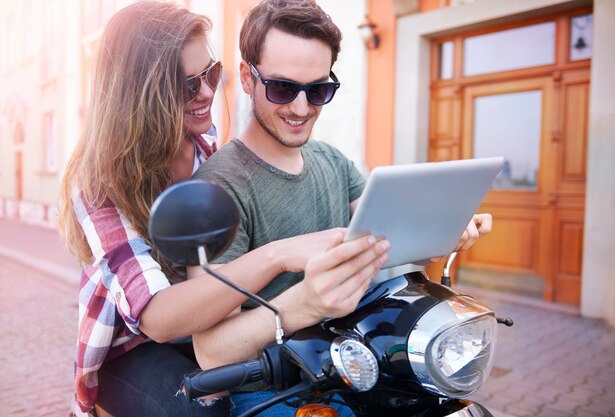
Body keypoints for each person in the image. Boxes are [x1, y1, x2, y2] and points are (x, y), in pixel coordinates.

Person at [59, 2, 389, 417]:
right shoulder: (100, 183)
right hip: (136, 344)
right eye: (186, 85)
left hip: (203, 322)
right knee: (201, 409)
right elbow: (157, 317)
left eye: (211, 74)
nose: (208, 94)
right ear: (138, 93)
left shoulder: (206, 150)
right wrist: (277, 255)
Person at [191, 0, 491, 415]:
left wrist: (443, 231)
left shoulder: (333, 161)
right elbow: (210, 351)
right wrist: (305, 303)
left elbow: (388, 242)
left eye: (318, 90)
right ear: (246, 77)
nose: (301, 107)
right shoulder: (217, 188)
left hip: (360, 368)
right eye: (282, 87)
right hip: (275, 390)